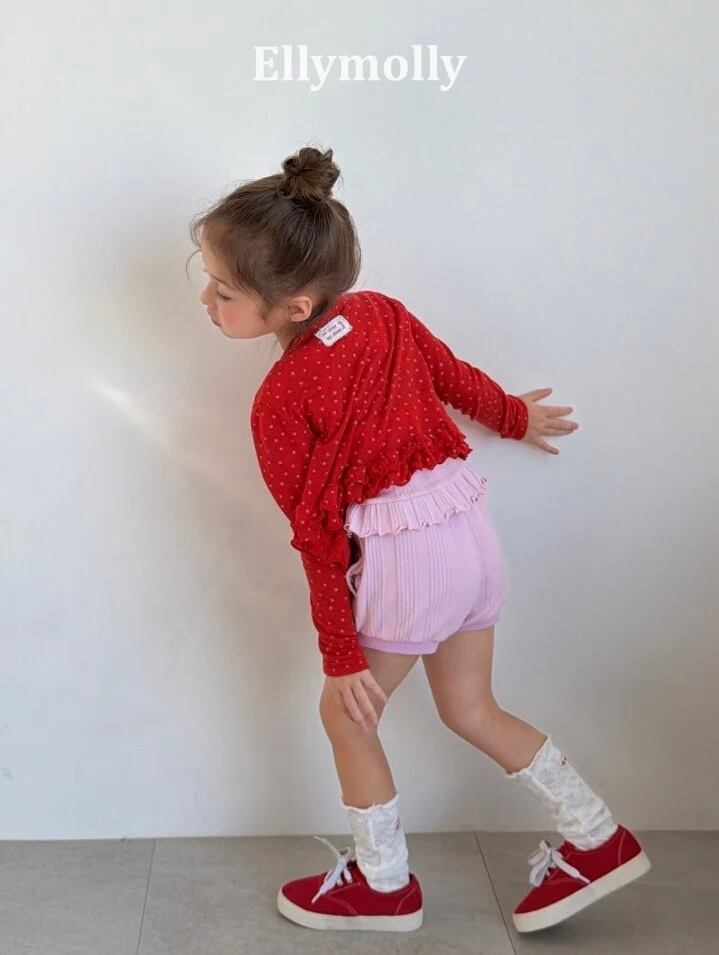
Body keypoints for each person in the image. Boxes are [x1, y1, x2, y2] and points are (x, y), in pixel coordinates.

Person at [188, 145, 652, 934]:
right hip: (467, 531)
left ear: (295, 305)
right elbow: (450, 373)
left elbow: (317, 535)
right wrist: (513, 416)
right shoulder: (380, 313)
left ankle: (383, 884)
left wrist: (339, 653)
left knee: (346, 714)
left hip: (407, 559)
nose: (207, 299)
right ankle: (598, 835)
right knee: (471, 706)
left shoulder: (281, 399)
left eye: (223, 291)